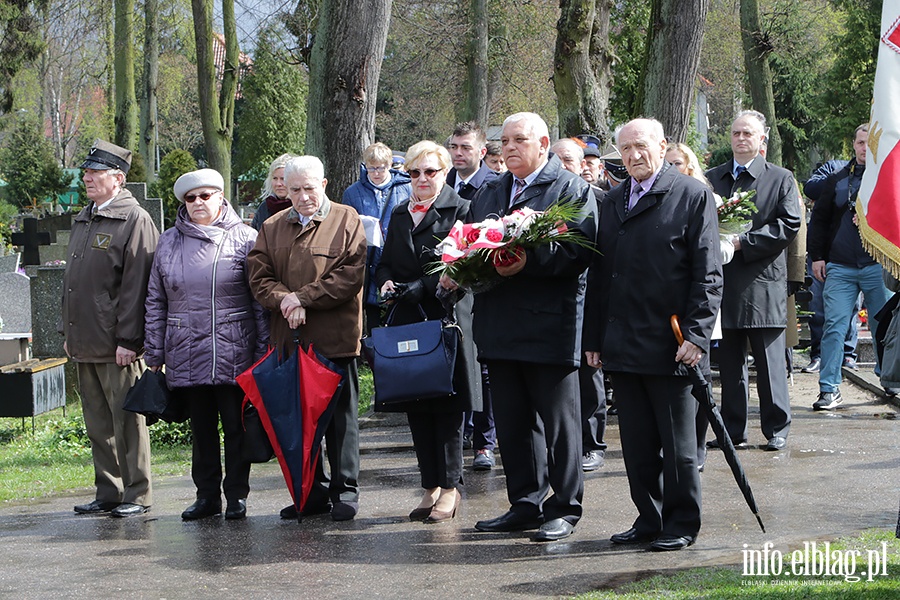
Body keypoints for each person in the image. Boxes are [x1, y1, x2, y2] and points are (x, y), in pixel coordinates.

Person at [444, 112, 597, 542]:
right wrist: (459, 268)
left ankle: (565, 506)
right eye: (504, 141)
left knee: (560, 424)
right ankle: (525, 501)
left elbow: (579, 252)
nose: (509, 148)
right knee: (513, 423)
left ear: (543, 143)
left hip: (550, 325)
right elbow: (473, 244)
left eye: (519, 140)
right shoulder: (492, 191)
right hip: (499, 324)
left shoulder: (570, 188)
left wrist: (530, 261)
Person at [585, 118, 722, 551]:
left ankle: (681, 522)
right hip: (623, 344)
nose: (633, 156)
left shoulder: (692, 195)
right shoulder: (611, 201)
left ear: (662, 146)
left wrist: (697, 336)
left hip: (673, 344)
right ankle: (650, 518)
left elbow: (708, 274)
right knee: (638, 446)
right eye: (625, 150)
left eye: (641, 147)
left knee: (679, 448)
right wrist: (593, 338)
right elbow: (599, 275)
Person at [144, 169, 269, 521]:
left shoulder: (246, 237)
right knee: (201, 430)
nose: (198, 203)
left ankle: (237, 495)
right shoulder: (169, 241)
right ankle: (206, 496)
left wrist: (262, 352)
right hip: (186, 348)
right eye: (191, 198)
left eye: (205, 196)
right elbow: (156, 299)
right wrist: (154, 352)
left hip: (235, 348)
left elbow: (259, 301)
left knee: (236, 427)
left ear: (220, 197)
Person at [248, 155, 367, 522]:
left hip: (333, 339)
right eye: (294, 189)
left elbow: (350, 276)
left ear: (324, 185)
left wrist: (302, 298)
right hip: (290, 341)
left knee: (340, 421)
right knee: (298, 421)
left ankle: (345, 492)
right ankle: (309, 492)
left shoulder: (347, 219)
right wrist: (285, 299)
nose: (302, 197)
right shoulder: (271, 226)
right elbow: (257, 276)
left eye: (309, 189)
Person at [375, 141, 482, 523]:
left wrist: (420, 286)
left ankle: (451, 487)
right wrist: (386, 283)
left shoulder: (463, 209)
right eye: (415, 173)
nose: (422, 179)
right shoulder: (401, 212)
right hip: (408, 318)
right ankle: (430, 485)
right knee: (418, 406)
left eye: (430, 172)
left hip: (446, 319)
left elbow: (467, 265)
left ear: (444, 172)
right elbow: (385, 262)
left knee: (448, 410)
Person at [63, 139, 159, 517]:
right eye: (86, 172)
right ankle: (109, 491)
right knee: (98, 423)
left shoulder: (134, 220)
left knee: (128, 422)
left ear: (117, 179)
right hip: (85, 339)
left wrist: (130, 339)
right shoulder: (86, 217)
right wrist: (67, 334)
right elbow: (72, 283)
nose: (87, 178)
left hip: (117, 343)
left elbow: (139, 286)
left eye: (95, 173)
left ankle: (137, 493)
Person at [706, 110, 801, 451]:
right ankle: (732, 430)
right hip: (722, 283)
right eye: (736, 133)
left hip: (762, 282)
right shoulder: (712, 179)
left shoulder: (780, 179)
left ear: (763, 140)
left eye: (748, 133)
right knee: (729, 365)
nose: (741, 138)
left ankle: (777, 428)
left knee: (769, 363)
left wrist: (742, 242)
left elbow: (789, 225)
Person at [808, 124, 892, 409]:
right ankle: (828, 389)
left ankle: (889, 378)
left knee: (887, 326)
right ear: (853, 145)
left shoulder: (890, 178)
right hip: (840, 266)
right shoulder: (836, 179)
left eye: (870, 143)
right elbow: (818, 220)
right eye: (859, 143)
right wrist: (817, 256)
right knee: (834, 326)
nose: (864, 148)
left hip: (878, 266)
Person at [551, 137, 609, 472]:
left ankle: (592, 443)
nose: (564, 167)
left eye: (570, 161)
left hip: (590, 299)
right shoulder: (544, 200)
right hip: (554, 303)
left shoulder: (602, 200)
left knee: (589, 374)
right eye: (556, 160)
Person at [444, 122, 499, 471]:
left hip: (483, 288)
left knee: (484, 368)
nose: (458, 153)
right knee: (456, 364)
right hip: (451, 288)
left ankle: (486, 441)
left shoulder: (493, 187)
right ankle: (459, 434)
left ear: (481, 152)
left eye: (465, 147)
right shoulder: (442, 181)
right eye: (454, 147)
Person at [342, 142, 412, 332]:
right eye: (371, 168)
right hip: (367, 262)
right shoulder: (353, 193)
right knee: (372, 319)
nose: (376, 173)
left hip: (396, 261)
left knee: (399, 319)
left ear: (389, 165)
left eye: (380, 168)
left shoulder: (406, 188)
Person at [802, 160, 859, 373]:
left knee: (852, 308)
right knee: (818, 305)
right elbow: (811, 187)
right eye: (860, 142)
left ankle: (848, 354)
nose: (864, 147)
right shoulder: (834, 168)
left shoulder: (877, 169)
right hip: (825, 251)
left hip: (857, 254)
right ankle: (818, 354)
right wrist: (842, 179)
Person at [250, 154, 295, 231]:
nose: (278, 184)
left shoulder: (301, 206)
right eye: (275, 178)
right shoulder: (265, 207)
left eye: (283, 179)